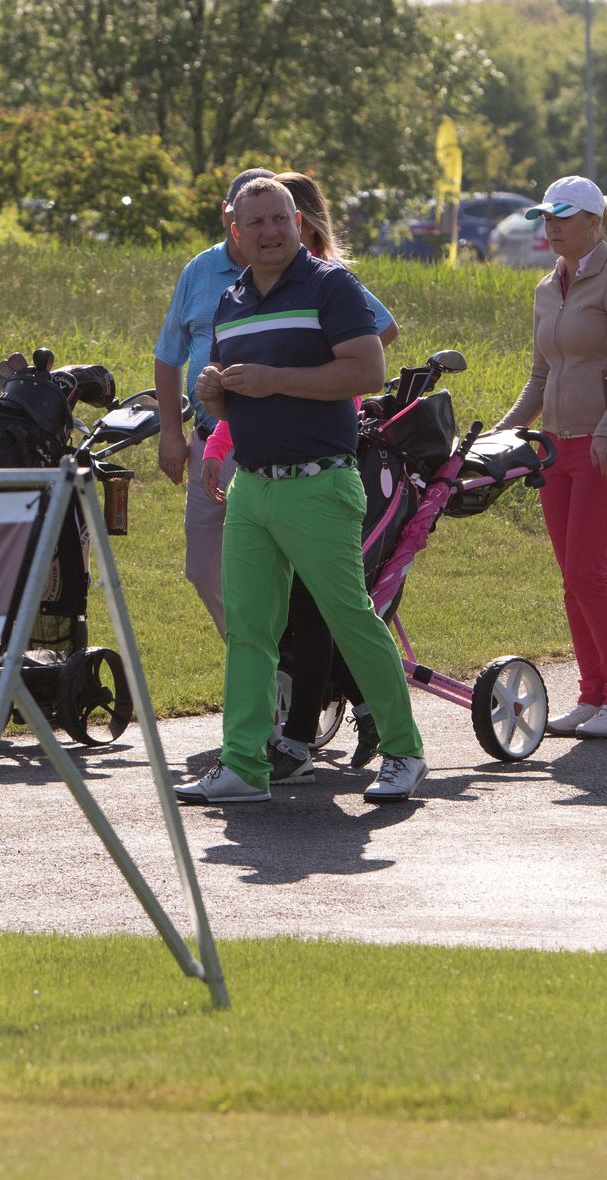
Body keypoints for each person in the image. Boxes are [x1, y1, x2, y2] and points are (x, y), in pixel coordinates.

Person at [175, 177, 426, 805]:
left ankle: (404, 750)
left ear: (298, 223)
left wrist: (273, 379)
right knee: (250, 631)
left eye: (280, 219)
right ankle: (243, 765)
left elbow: (367, 370)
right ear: (236, 232)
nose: (270, 232)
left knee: (349, 617)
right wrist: (215, 395)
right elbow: (239, 400)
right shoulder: (231, 300)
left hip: (320, 483)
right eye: (256, 222)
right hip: (251, 488)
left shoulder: (330, 284)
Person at [498, 175, 607, 739]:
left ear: (592, 221)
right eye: (546, 217)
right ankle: (594, 695)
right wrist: (502, 434)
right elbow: (540, 378)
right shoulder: (547, 289)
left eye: (562, 217)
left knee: (589, 573)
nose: (551, 227)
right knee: (572, 579)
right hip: (556, 451)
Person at [153, 168, 276, 636]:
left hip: (274, 445)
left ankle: (275, 663)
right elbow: (169, 355)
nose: (257, 228)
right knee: (204, 568)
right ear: (229, 217)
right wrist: (170, 433)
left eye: (269, 217)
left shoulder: (301, 272)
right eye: (245, 217)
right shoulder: (200, 270)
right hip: (210, 444)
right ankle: (258, 655)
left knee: (271, 569)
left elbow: (378, 330)